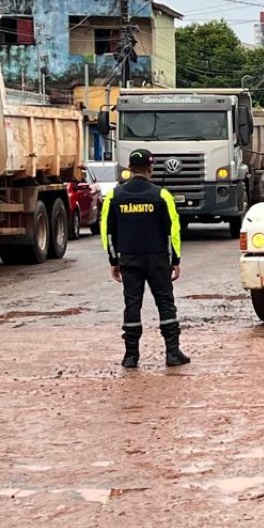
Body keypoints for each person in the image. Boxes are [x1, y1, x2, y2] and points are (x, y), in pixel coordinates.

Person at [100, 149, 190, 369]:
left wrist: (113, 261)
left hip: (129, 259)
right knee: (165, 304)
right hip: (157, 259)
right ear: (151, 169)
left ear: (129, 169)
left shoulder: (115, 195)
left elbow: (107, 230)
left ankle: (131, 356)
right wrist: (174, 260)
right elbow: (172, 231)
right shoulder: (161, 195)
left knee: (132, 304)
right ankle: (171, 353)